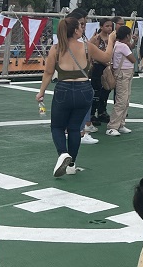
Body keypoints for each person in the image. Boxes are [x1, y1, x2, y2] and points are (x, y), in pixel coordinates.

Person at [36, 16, 116, 177]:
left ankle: (63, 153)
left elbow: (48, 72)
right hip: (84, 89)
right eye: (80, 26)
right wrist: (112, 40)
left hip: (64, 88)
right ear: (75, 30)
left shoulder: (56, 49)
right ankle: (71, 164)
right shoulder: (87, 47)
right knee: (75, 128)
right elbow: (107, 58)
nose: (82, 28)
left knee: (57, 127)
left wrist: (41, 91)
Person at [106, 25, 136, 137]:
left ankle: (120, 124)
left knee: (125, 99)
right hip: (124, 73)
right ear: (127, 35)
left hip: (122, 73)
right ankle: (113, 126)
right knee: (122, 100)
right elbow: (133, 59)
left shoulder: (117, 45)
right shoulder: (123, 46)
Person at [90, 19, 116, 126]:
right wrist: (105, 62)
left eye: (111, 26)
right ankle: (92, 114)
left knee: (106, 89)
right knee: (96, 91)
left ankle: (102, 111)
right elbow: (94, 53)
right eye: (107, 26)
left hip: (108, 66)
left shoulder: (112, 39)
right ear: (101, 27)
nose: (109, 28)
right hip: (99, 66)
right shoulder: (97, 38)